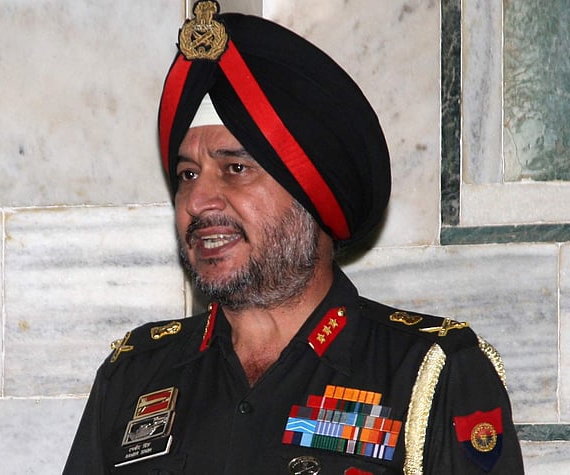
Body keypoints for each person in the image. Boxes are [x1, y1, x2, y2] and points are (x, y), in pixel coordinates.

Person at [64, 1, 524, 474]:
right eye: (187, 174)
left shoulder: (428, 372)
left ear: (313, 197)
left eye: (235, 168)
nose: (197, 201)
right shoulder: (135, 374)